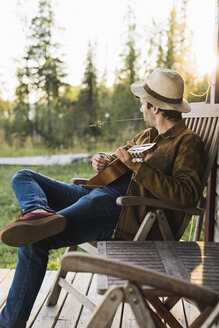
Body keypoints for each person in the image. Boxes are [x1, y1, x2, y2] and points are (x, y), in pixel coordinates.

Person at [0, 68, 205, 327]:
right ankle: (38, 212)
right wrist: (105, 160)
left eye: (143, 104)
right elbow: (120, 163)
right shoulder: (147, 135)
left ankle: (8, 324)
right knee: (24, 176)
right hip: (97, 194)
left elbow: (186, 195)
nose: (141, 109)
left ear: (155, 108)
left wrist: (138, 169)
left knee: (34, 238)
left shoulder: (188, 143)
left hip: (122, 212)